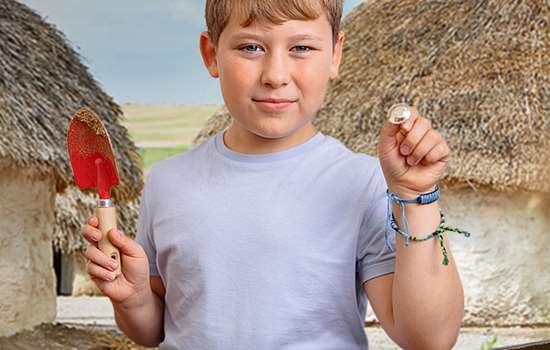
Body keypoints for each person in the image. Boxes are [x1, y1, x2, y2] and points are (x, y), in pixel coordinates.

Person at [80, 1, 465, 348]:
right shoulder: (167, 183)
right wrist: (133, 301)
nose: (275, 74)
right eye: (251, 47)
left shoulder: (361, 182)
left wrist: (417, 196)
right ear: (211, 55)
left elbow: (427, 339)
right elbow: (158, 330)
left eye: (301, 48)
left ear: (335, 55)